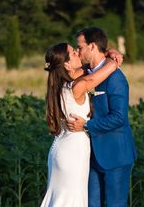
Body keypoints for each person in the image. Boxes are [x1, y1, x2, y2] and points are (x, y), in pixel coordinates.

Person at [40, 41, 123, 207]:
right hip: (72, 153)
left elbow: (87, 68)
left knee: (61, 200)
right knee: (71, 200)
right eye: (73, 53)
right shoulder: (77, 87)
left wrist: (107, 51)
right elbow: (108, 68)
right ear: (67, 64)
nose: (78, 53)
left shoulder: (59, 85)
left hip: (60, 149)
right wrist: (112, 57)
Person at [67, 27, 137, 207]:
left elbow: (119, 117)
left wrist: (86, 126)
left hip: (116, 155)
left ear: (91, 46)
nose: (78, 52)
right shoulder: (83, 72)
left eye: (80, 47)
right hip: (90, 156)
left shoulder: (115, 78)